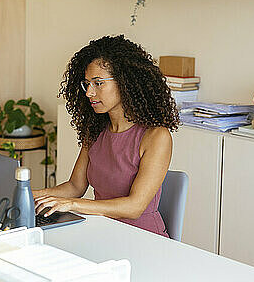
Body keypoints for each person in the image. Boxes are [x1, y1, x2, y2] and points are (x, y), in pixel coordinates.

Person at [33, 35, 180, 237]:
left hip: (143, 239)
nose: (89, 93)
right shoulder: (95, 131)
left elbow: (134, 207)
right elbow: (75, 186)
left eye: (98, 83)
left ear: (125, 82)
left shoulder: (156, 136)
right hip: (102, 231)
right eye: (87, 84)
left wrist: (72, 205)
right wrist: (30, 195)